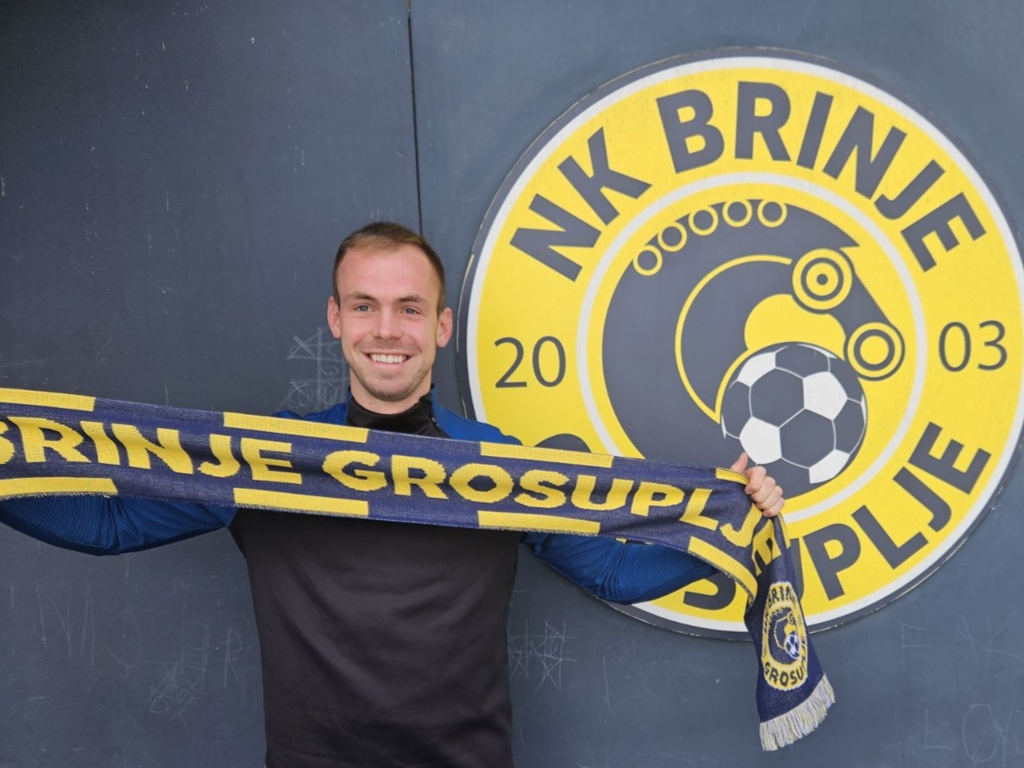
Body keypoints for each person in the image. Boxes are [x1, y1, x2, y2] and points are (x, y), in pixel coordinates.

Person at [0, 222, 784, 768]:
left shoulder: (502, 465)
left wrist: (733, 531)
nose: (387, 329)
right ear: (336, 319)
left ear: (441, 326)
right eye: (365, 306)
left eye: (409, 308)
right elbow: (108, 525)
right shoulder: (264, 459)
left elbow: (611, 572)